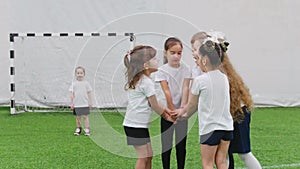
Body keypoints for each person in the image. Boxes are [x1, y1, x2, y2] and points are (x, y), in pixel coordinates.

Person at [175, 40, 234, 169]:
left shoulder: (200, 80)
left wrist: (182, 115)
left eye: (198, 58)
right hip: (227, 128)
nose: (197, 61)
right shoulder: (224, 78)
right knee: (222, 162)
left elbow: (191, 106)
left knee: (207, 164)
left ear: (205, 60)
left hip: (210, 129)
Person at [122, 45, 175, 169]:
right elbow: (155, 105)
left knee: (149, 155)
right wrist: (167, 117)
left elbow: (155, 102)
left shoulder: (144, 79)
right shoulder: (146, 82)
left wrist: (168, 111)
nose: (157, 60)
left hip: (137, 125)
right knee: (143, 157)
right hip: (135, 126)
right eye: (154, 58)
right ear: (146, 65)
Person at [215, 35, 262, 169]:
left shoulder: (222, 73)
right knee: (224, 153)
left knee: (244, 153)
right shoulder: (219, 71)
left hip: (238, 113)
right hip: (229, 114)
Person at [155, 37, 191, 169]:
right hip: (167, 113)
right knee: (166, 145)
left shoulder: (186, 69)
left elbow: (186, 88)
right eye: (172, 53)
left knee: (181, 146)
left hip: (181, 113)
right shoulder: (162, 71)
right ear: (165, 53)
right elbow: (166, 91)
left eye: (179, 53)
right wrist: (172, 112)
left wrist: (182, 109)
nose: (176, 56)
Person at [69, 66, 93, 136]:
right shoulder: (74, 84)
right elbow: (71, 94)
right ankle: (78, 128)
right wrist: (72, 103)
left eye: (81, 73)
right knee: (78, 117)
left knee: (85, 116)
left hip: (84, 103)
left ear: (84, 74)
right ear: (75, 74)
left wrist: (90, 102)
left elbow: (89, 92)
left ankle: (87, 128)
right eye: (78, 73)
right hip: (77, 104)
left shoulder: (86, 83)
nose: (79, 74)